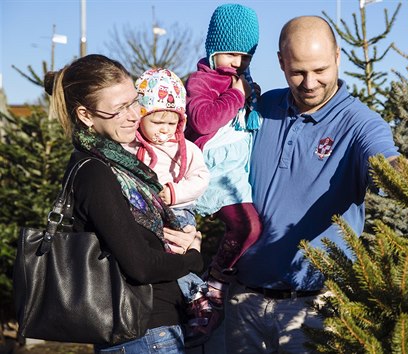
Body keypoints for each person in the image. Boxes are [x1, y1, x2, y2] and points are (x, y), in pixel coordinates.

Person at [224, 16, 402, 353]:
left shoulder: (360, 123)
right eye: (297, 72)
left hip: (314, 308)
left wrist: (407, 180)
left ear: (337, 57)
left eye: (320, 70)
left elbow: (386, 160)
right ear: (280, 62)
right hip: (244, 300)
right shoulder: (261, 107)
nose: (310, 83)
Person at [45, 54, 204, 353]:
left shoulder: (122, 166)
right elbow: (140, 266)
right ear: (85, 115)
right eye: (119, 109)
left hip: (150, 331)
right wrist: (193, 258)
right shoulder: (96, 172)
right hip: (141, 334)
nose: (134, 115)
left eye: (134, 102)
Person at [184, 3, 262, 333]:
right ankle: (210, 283)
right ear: (214, 48)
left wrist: (250, 97)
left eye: (245, 57)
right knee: (247, 227)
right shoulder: (202, 81)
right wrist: (237, 97)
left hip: (238, 171)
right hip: (213, 170)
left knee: (252, 229)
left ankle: (216, 287)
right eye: (230, 54)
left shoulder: (242, 81)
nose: (238, 63)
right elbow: (202, 121)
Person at [124, 68, 212, 334]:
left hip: (178, 211)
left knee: (179, 252)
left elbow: (201, 178)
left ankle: (196, 295)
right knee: (159, 257)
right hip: (146, 215)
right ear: (141, 118)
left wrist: (174, 192)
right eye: (157, 122)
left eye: (171, 123)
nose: (164, 131)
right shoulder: (132, 148)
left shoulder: (187, 149)